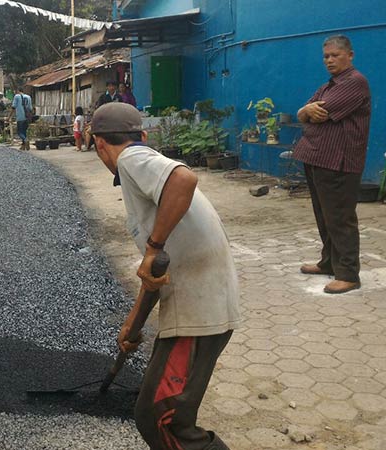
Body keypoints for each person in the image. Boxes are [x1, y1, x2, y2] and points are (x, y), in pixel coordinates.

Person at [91, 102, 240, 450]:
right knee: (161, 415)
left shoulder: (130, 159)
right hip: (199, 303)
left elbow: (184, 178)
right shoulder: (143, 177)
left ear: (97, 143)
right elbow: (156, 269)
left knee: (161, 420)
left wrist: (154, 244)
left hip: (200, 309)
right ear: (142, 135)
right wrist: (133, 324)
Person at [293, 35, 371, 294]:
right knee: (324, 216)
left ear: (350, 55)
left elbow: (320, 114)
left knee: (340, 218)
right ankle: (328, 262)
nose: (329, 60)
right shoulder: (329, 84)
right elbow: (303, 112)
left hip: (339, 161)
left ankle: (348, 274)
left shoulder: (355, 83)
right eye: (326, 56)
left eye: (335, 55)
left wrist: (307, 111)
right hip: (317, 157)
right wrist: (305, 110)